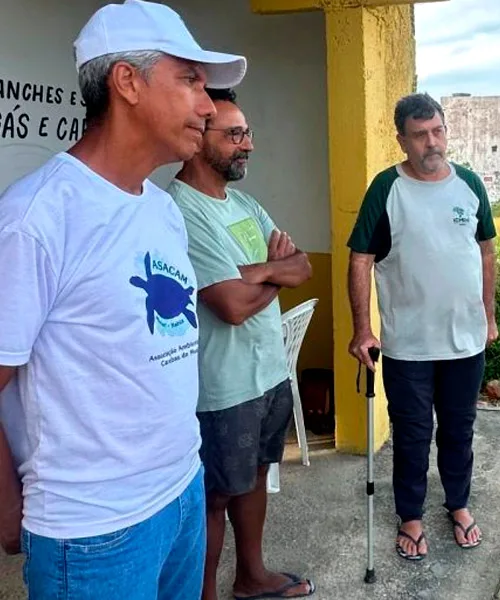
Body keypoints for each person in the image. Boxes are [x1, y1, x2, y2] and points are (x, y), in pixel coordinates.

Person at [0, 1, 246, 598]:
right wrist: (8, 504)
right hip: (92, 530)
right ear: (127, 82)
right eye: (189, 79)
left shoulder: (160, 207)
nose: (208, 105)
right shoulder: (37, 218)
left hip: (183, 490)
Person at [168, 87, 315, 599]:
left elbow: (304, 266)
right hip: (222, 385)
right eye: (234, 134)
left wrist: (261, 272)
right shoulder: (181, 210)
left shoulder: (246, 203)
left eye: (247, 132)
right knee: (214, 496)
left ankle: (251, 577)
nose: (247, 144)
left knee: (254, 478)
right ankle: (203, 592)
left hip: (269, 374)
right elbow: (228, 307)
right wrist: (278, 275)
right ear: (198, 138)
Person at [346, 92, 498, 561]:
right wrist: (361, 329)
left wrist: (489, 317)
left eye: (438, 131)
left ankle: (458, 503)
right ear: (402, 140)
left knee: (459, 429)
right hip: (409, 344)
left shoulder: (469, 183)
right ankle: (410, 515)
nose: (432, 143)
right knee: (412, 434)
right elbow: (361, 259)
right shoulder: (387, 188)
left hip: (465, 340)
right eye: (420, 135)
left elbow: (487, 251)